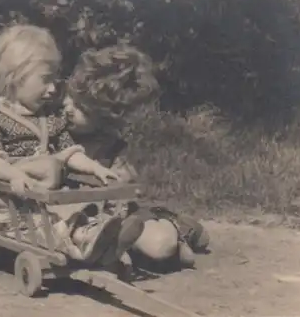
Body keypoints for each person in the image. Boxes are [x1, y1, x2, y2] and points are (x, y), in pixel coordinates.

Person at [0, 24, 144, 266]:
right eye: (46, 80)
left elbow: (69, 153)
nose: (54, 88)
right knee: (52, 205)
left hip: (44, 188)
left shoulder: (51, 120)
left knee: (71, 198)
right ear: (15, 78)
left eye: (55, 80)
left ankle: (99, 240)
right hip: (11, 189)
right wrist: (13, 174)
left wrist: (94, 168)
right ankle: (86, 239)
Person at [63, 44, 210, 268]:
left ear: (105, 117)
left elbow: (123, 196)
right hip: (75, 217)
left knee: (159, 246)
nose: (67, 108)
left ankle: (180, 228)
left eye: (81, 107)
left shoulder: (112, 148)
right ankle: (115, 248)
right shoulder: (54, 129)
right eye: (69, 98)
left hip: (112, 214)